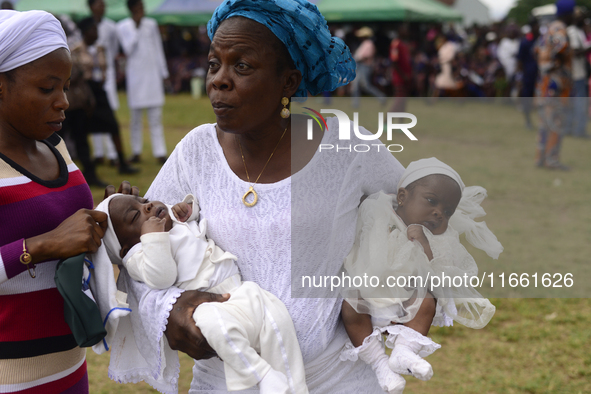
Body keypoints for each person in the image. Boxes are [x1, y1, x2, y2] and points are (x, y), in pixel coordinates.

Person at [102, 1, 441, 393]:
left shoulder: (347, 148)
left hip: (338, 380)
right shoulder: (196, 151)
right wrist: (169, 309)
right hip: (226, 381)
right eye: (214, 64)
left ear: (289, 81)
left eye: (242, 66)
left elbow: (426, 219)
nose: (219, 81)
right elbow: (136, 256)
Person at [97, 193, 308, 393]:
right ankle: (262, 374)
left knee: (277, 322)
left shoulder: (170, 221)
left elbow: (198, 219)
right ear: (124, 248)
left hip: (241, 291)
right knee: (216, 327)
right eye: (136, 215)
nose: (148, 207)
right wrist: (153, 238)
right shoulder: (137, 257)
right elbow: (162, 277)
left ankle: (294, 387)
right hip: (208, 306)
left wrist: (188, 210)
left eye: (144, 201)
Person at [0, 9, 108, 393]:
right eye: (47, 89)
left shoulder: (57, 149)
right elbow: (52, 238)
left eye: (65, 86)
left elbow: (74, 231)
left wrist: (113, 218)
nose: (64, 101)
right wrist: (40, 246)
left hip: (71, 369)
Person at [340, 158, 502, 394]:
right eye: (431, 201)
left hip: (406, 296)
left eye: (447, 212)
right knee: (350, 308)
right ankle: (379, 365)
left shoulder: (439, 238)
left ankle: (405, 351)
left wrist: (425, 243)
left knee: (427, 301)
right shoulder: (378, 210)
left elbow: (438, 273)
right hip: (370, 288)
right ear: (403, 197)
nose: (438, 213)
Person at [74, 17, 139, 176]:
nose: (96, 33)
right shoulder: (76, 50)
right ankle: (90, 169)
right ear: (85, 32)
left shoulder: (99, 48)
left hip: (99, 91)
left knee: (112, 125)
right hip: (85, 93)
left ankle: (121, 162)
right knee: (81, 130)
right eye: (93, 30)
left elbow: (105, 68)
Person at [117, 0, 168, 164]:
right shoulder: (123, 26)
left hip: (152, 75)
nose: (142, 11)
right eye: (138, 8)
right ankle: (136, 152)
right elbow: (128, 49)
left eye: (142, 8)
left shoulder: (151, 24)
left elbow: (158, 48)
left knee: (155, 117)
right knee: (135, 119)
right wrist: (137, 28)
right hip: (136, 77)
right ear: (132, 10)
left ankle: (160, 152)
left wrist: (164, 71)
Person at [534, 0, 574, 170]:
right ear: (568, 13)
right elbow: (561, 46)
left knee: (546, 122)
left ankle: (540, 158)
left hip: (546, 84)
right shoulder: (560, 29)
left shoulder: (549, 28)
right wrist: (558, 63)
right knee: (556, 122)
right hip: (555, 85)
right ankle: (551, 160)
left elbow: (536, 50)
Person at [87, 0, 121, 166]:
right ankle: (99, 153)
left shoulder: (111, 26)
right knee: (93, 113)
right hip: (91, 79)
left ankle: (113, 154)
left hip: (107, 76)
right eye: (99, 4)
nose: (102, 7)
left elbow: (113, 50)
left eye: (103, 4)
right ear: (91, 6)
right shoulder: (86, 25)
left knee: (109, 114)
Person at [566, 7, 591, 138]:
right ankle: (578, 131)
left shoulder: (579, 31)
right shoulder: (572, 31)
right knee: (580, 103)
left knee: (576, 102)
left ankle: (571, 129)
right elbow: (575, 53)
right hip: (576, 73)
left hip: (579, 72)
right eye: (582, 17)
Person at [351, 27, 386, 108]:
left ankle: (381, 96)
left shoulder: (369, 44)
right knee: (355, 85)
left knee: (365, 85)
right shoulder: (364, 44)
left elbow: (367, 56)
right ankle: (355, 103)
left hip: (365, 66)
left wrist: (358, 59)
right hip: (360, 66)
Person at [517, 18, 540, 130]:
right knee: (527, 98)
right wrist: (520, 75)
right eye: (536, 26)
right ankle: (528, 121)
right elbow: (520, 60)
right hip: (529, 75)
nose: (538, 28)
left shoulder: (541, 40)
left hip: (540, 74)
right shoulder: (525, 41)